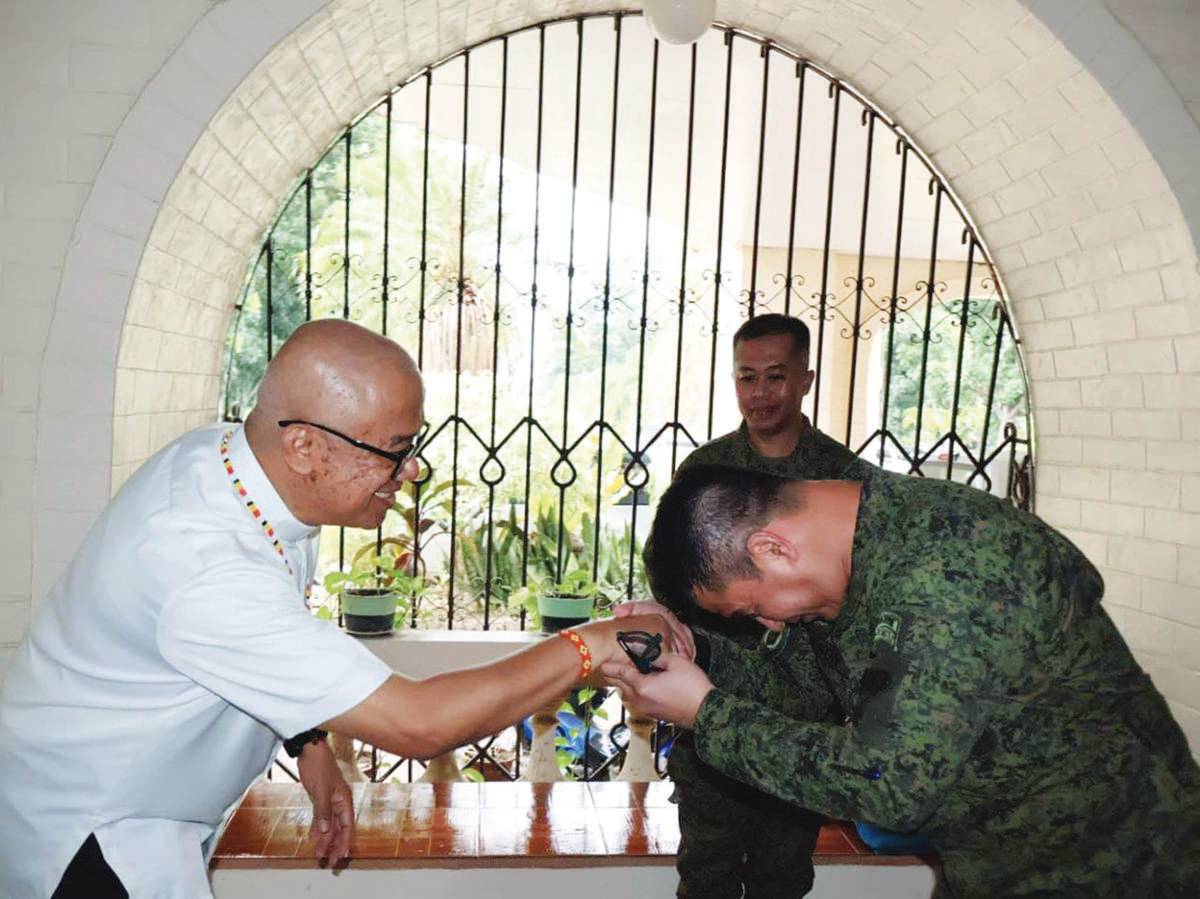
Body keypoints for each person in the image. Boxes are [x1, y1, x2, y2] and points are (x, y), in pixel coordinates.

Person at [0, 320, 666, 899]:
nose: (412, 471)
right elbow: (418, 723)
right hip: (91, 833)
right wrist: (592, 646)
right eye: (395, 450)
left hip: (140, 807)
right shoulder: (202, 560)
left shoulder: (243, 474)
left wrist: (309, 743)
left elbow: (259, 646)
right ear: (306, 448)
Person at [609, 464, 1200, 897]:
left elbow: (888, 782)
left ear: (772, 548)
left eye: (749, 610)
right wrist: (695, 654)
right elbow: (805, 687)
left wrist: (707, 713)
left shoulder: (955, 567)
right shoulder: (863, 561)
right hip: (1002, 864)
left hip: (1124, 868)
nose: (766, 624)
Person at [664, 313, 875, 899]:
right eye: (746, 377)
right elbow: (673, 584)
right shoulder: (705, 473)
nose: (759, 394)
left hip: (803, 726)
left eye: (775, 377)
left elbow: (868, 600)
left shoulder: (842, 477)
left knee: (782, 880)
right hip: (713, 711)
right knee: (704, 876)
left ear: (805, 379)